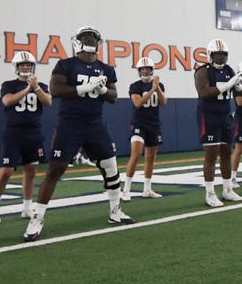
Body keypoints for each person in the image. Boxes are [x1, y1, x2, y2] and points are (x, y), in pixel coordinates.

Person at [23, 26, 134, 240]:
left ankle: (115, 210)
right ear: (77, 42)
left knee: (110, 166)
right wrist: (83, 88)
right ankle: (37, 218)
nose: (89, 39)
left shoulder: (106, 68)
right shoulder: (66, 64)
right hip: (70, 123)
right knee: (55, 170)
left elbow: (112, 96)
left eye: (93, 37)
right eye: (86, 37)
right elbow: (55, 91)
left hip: (95, 123)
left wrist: (101, 90)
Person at [0, 51, 52, 225]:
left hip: (33, 133)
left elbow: (48, 102)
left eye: (28, 65)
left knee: (30, 171)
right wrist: (27, 89)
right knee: (7, 170)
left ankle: (26, 207)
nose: (26, 67)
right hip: (13, 133)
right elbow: (7, 101)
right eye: (22, 65)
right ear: (16, 67)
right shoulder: (8, 85)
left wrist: (36, 88)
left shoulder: (41, 85)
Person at [194, 38, 242, 207]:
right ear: (210, 55)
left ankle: (227, 189)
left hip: (226, 116)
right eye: (217, 55)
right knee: (211, 155)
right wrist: (227, 85)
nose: (220, 58)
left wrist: (239, 87)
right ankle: (209, 193)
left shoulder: (230, 70)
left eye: (223, 55)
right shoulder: (203, 71)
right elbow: (203, 92)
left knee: (226, 153)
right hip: (209, 116)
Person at [121, 56, 166, 200]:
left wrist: (156, 88)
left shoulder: (159, 85)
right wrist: (152, 89)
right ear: (139, 71)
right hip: (139, 123)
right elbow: (138, 103)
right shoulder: (135, 86)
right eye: (143, 69)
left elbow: (163, 102)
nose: (145, 71)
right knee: (136, 154)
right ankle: (126, 190)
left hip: (153, 124)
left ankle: (147, 189)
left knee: (150, 157)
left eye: (148, 69)